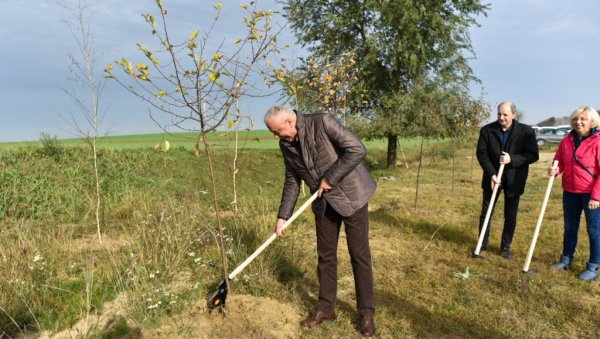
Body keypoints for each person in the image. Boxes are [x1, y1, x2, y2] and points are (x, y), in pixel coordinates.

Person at [264, 105, 377, 337]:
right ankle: (326, 309)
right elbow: (292, 180)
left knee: (359, 255)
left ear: (289, 123)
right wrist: (283, 216)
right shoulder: (285, 145)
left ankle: (366, 312)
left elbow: (357, 149)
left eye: (277, 131)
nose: (276, 137)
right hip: (323, 203)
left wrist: (331, 178)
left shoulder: (322, 122)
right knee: (325, 256)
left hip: (352, 195)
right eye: (273, 133)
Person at [475, 101, 539, 259]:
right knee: (486, 212)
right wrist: (492, 174)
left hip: (514, 179)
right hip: (493, 178)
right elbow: (481, 154)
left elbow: (532, 155)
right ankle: (482, 244)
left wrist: (512, 159)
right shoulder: (487, 130)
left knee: (510, 214)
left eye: (505, 114)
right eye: (499, 114)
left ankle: (505, 247)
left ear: (514, 115)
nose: (501, 117)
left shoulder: (526, 132)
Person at [550, 106, 600, 281]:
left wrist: (596, 196)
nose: (578, 122)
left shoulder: (598, 141)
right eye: (575, 119)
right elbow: (560, 162)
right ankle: (566, 259)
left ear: (592, 121)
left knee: (594, 230)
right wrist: (556, 171)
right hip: (569, 192)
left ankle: (594, 265)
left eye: (583, 119)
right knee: (570, 227)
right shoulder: (567, 141)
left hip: (590, 194)